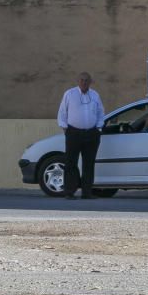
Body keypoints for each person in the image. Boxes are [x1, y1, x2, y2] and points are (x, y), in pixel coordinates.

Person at [57, 71, 104, 199]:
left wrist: (99, 128)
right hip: (73, 133)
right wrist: (65, 128)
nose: (84, 82)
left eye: (87, 80)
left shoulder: (95, 95)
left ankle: (87, 192)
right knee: (71, 162)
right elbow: (62, 112)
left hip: (92, 133)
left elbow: (100, 112)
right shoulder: (69, 94)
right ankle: (69, 192)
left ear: (91, 82)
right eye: (82, 80)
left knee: (89, 164)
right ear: (78, 81)